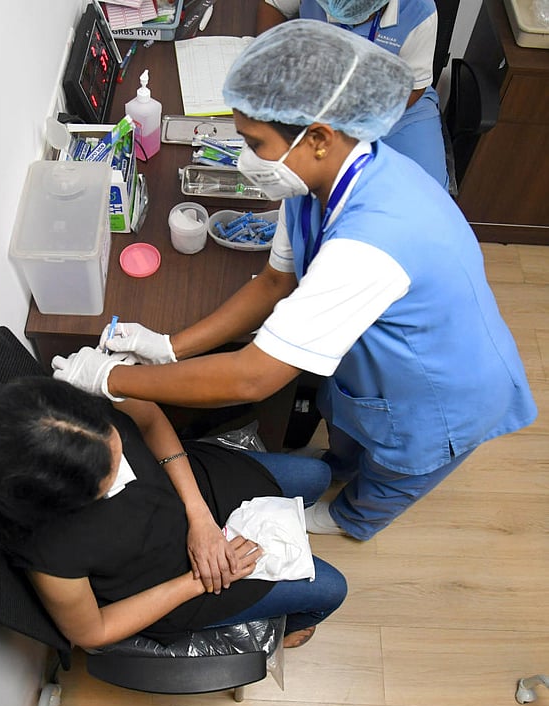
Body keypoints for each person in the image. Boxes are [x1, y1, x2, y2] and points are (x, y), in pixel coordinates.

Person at [51, 21, 537, 542]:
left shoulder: (370, 244)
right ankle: (342, 465)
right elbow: (272, 285)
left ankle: (351, 518)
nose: (246, 157)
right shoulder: (319, 180)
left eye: (254, 141)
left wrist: (110, 380)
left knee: (393, 472)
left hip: (439, 391)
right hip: (369, 361)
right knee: (348, 430)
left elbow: (250, 379)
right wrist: (169, 347)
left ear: (320, 138)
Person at [0, 376, 347, 649]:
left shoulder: (77, 409)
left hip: (190, 486)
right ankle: (292, 628)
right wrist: (200, 580)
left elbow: (149, 419)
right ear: (69, 499)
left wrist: (198, 513)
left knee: (318, 476)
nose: (124, 470)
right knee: (332, 589)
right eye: (111, 474)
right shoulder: (48, 553)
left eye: (117, 447)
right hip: (174, 580)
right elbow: (92, 632)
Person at [257, 0, 449, 189]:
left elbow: (413, 87)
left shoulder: (418, 9)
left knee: (427, 192)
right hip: (317, 96)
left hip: (396, 104)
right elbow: (273, 6)